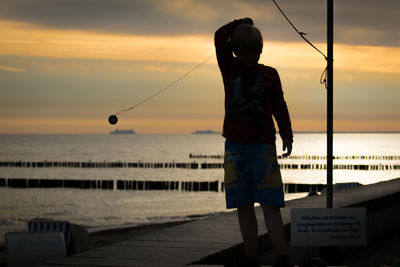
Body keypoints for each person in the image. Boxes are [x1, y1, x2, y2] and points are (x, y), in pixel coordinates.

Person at [214, 18, 294, 267]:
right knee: (269, 205)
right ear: (261, 49)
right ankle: (280, 256)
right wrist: (287, 134)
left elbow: (219, 36)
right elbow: (280, 107)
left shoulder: (230, 67)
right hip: (261, 148)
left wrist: (242, 22)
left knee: (244, 206)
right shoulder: (269, 73)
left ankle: (252, 257)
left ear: (235, 51)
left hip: (237, 149)